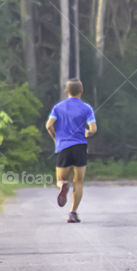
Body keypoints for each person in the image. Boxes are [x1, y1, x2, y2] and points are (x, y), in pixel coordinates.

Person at [45, 78, 97, 223]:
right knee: (78, 182)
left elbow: (48, 126)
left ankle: (62, 186)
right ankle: (73, 212)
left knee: (61, 180)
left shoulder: (58, 107)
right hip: (80, 147)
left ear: (66, 91)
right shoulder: (87, 108)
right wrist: (86, 133)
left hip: (63, 147)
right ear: (81, 91)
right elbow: (93, 129)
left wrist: (56, 139)